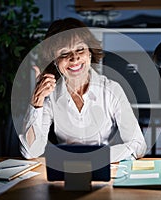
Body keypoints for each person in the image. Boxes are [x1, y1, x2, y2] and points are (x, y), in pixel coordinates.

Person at [19, 17, 147, 163]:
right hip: (67, 173)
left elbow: (138, 145)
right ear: (55, 61)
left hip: (106, 169)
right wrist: (36, 103)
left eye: (80, 49)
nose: (74, 58)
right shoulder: (50, 95)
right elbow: (31, 152)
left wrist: (95, 157)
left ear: (90, 52)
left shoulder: (112, 90)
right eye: (64, 53)